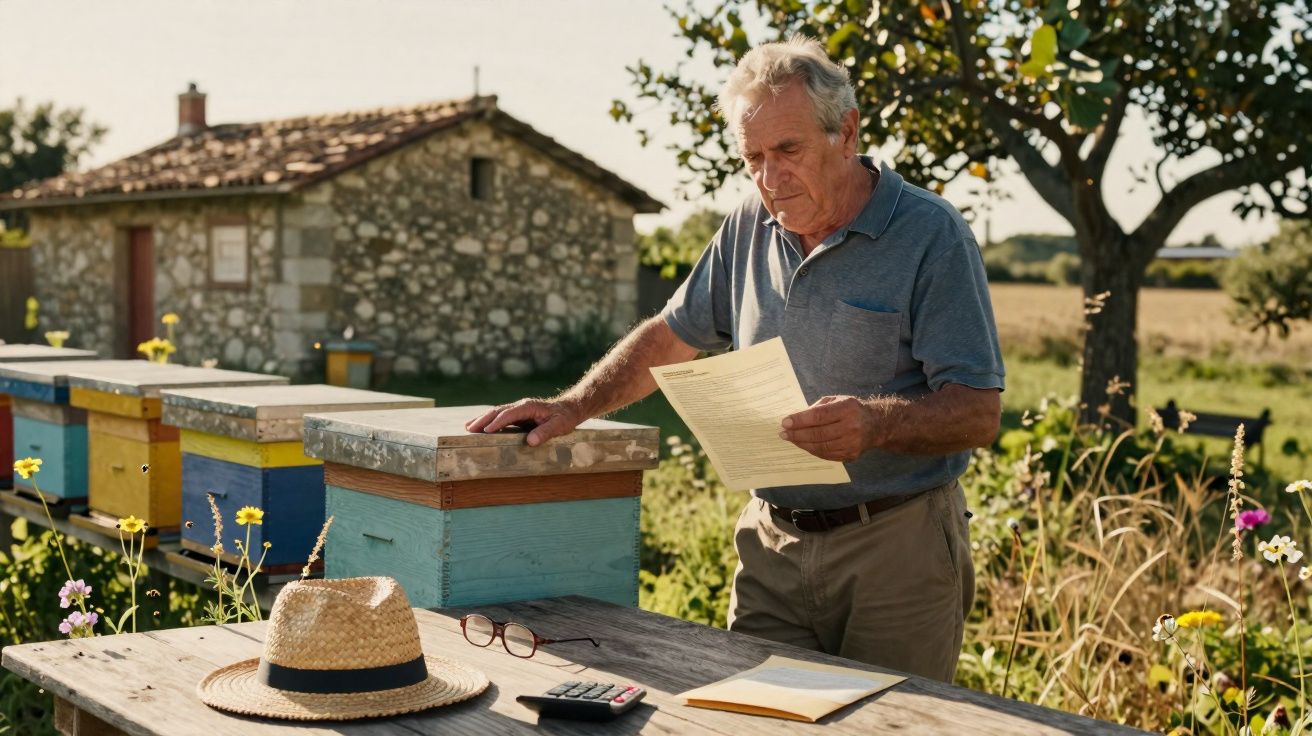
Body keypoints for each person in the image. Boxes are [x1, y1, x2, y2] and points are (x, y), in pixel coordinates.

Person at [466, 35, 1004, 683]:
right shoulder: (749, 222)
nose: (770, 178)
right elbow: (671, 334)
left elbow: (977, 412)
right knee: (752, 719)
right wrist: (572, 406)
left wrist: (874, 423)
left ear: (848, 133)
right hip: (772, 545)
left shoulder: (930, 234)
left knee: (887, 725)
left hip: (896, 546)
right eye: (753, 157)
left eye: (788, 151)